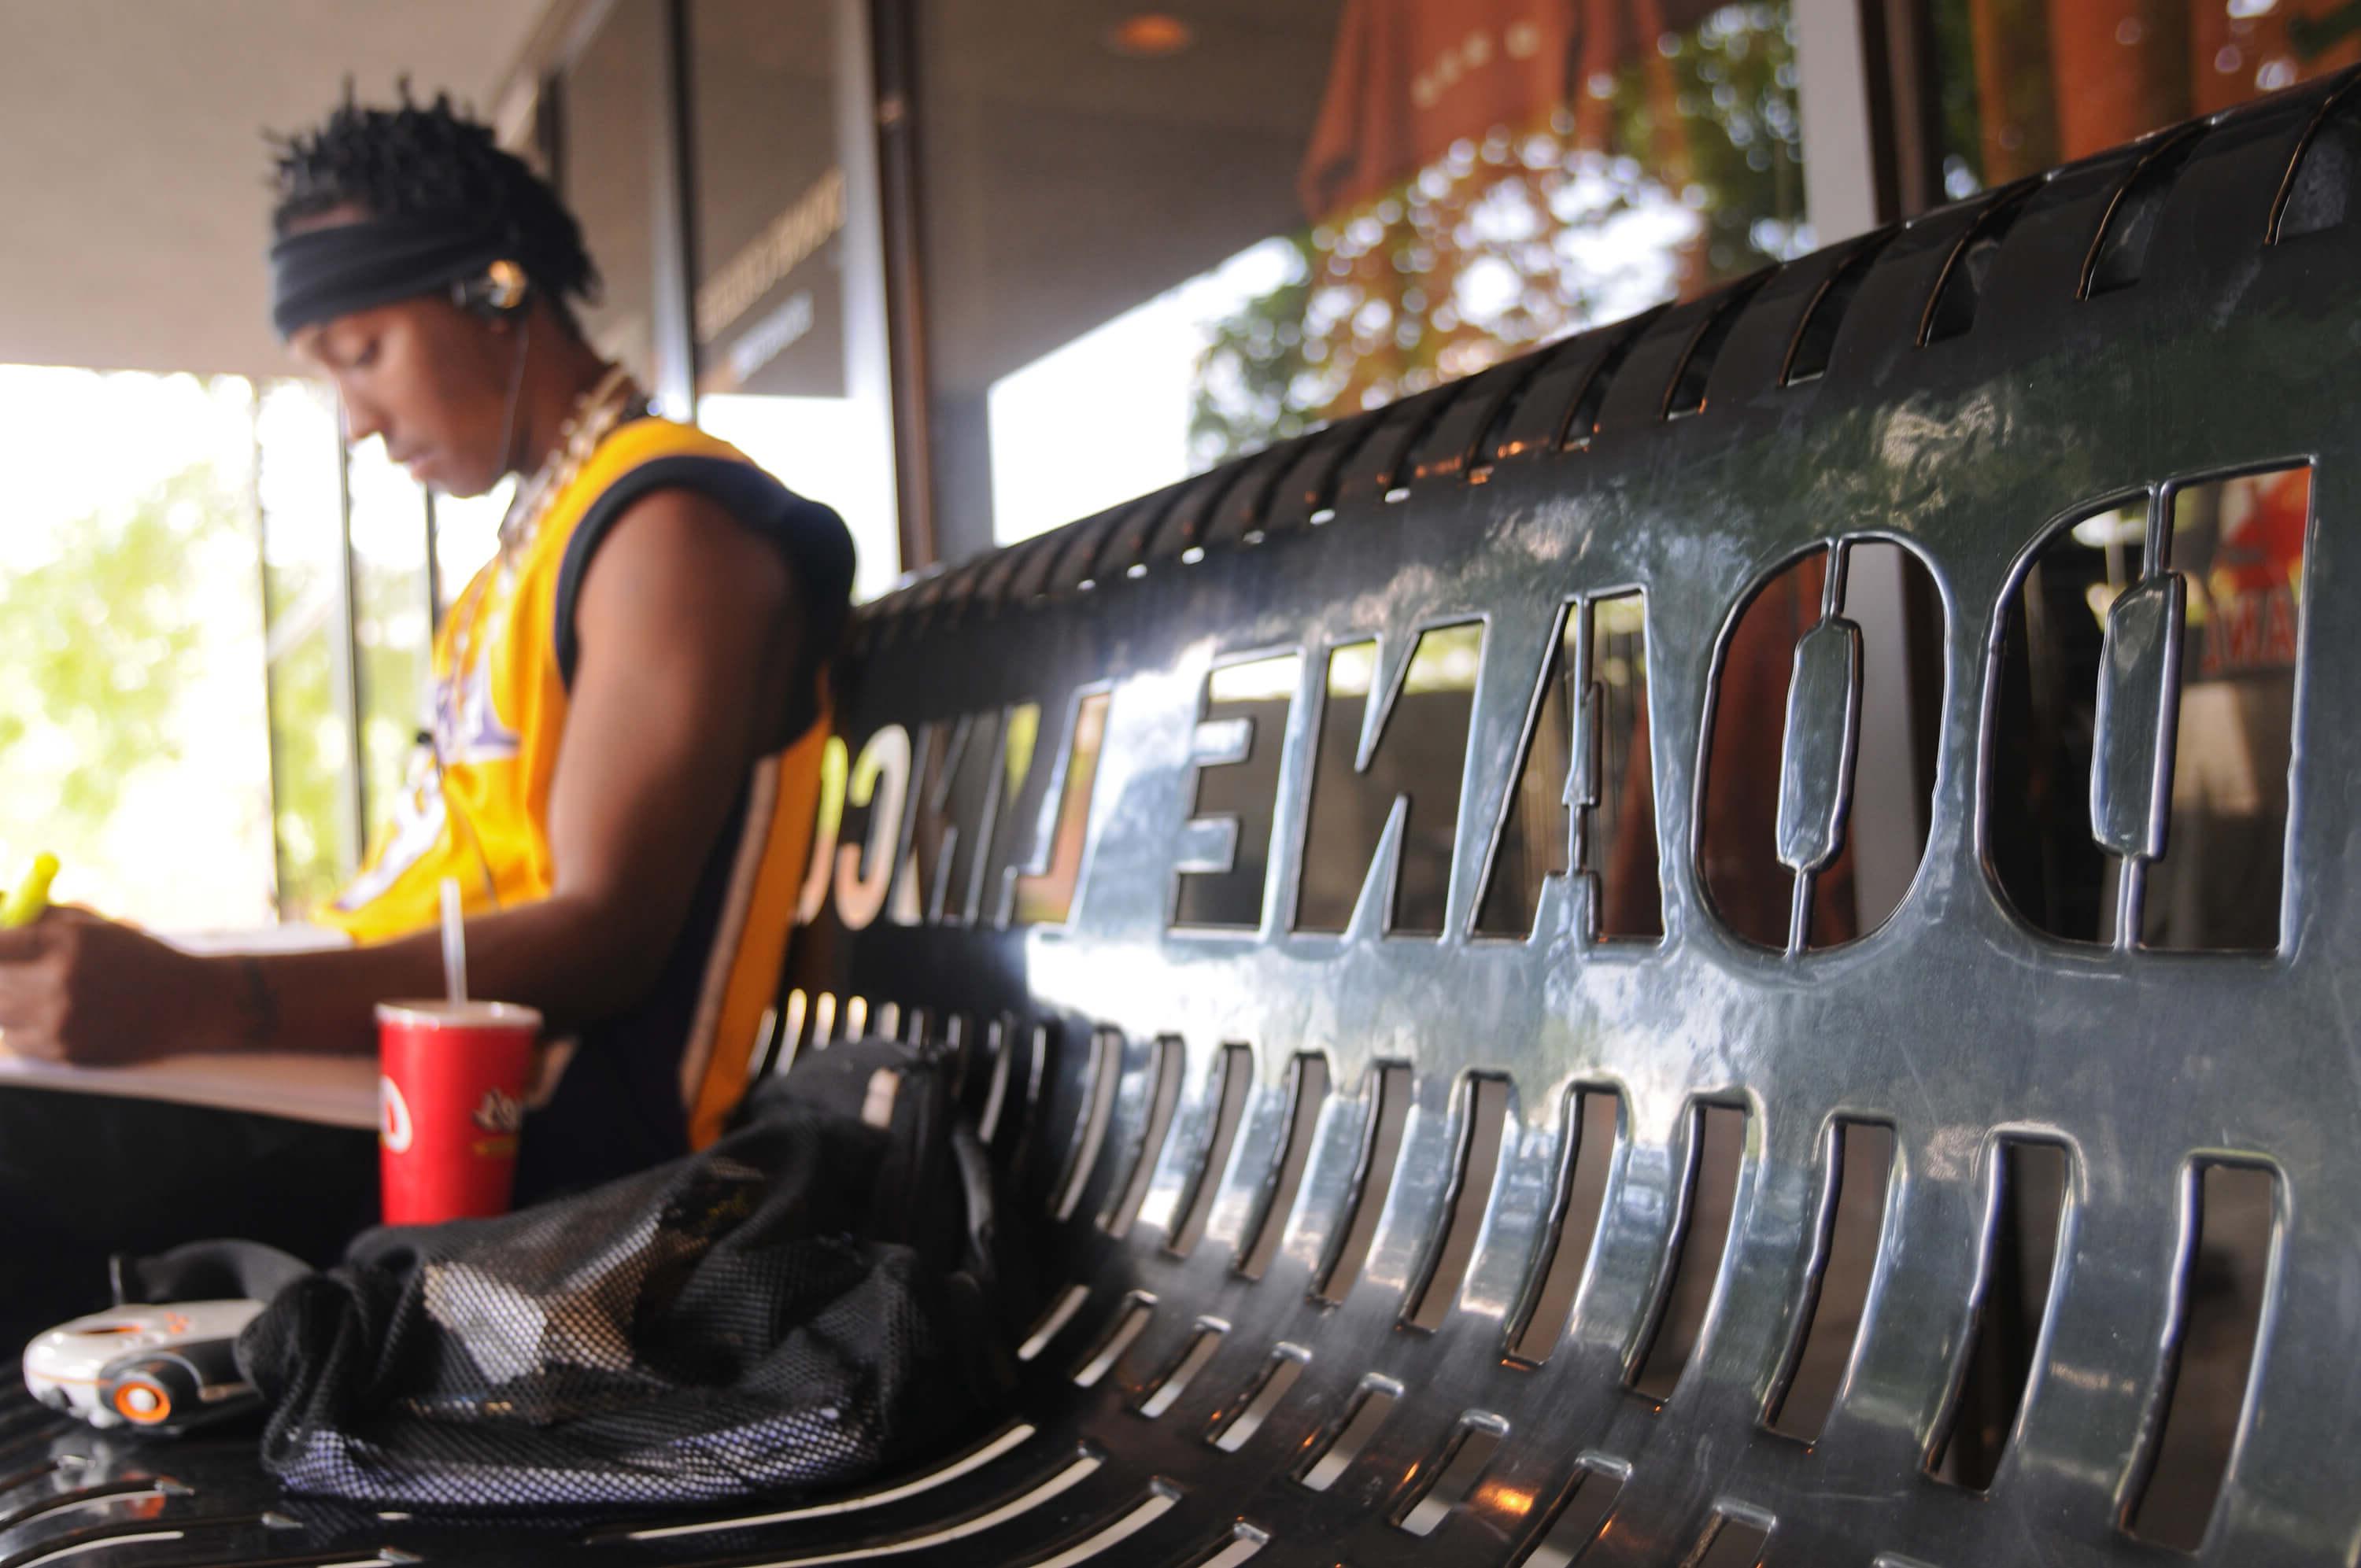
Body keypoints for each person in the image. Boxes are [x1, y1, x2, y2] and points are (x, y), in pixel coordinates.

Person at [0, 88, 853, 1340]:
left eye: (362, 353)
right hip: (405, 1093)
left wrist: (201, 1000)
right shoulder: (522, 560)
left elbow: (605, 933)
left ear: (498, 288)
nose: (352, 417)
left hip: (543, 1150)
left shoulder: (667, 522)